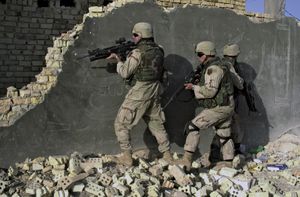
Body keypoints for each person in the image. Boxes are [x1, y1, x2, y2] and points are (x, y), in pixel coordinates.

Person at [107, 22, 172, 167]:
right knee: (156, 123)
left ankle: (127, 157)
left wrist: (118, 61)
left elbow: (125, 72)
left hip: (140, 91)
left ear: (141, 36)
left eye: (135, 35)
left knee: (121, 124)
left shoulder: (137, 53)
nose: (133, 37)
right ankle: (168, 156)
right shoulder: (159, 49)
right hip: (155, 89)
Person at [176, 41, 235, 171]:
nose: (198, 57)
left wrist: (194, 87)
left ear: (207, 55)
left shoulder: (213, 69)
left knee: (192, 127)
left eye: (200, 54)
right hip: (228, 105)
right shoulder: (224, 65)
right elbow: (238, 83)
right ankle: (229, 163)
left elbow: (210, 92)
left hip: (218, 108)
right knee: (224, 134)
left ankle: (186, 160)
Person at [222, 44, 245, 154]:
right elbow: (239, 84)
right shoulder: (230, 65)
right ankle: (233, 151)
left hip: (218, 101)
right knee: (233, 125)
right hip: (229, 101)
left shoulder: (218, 63)